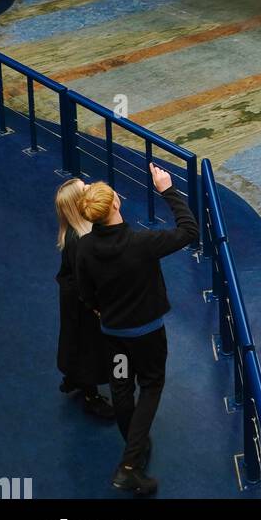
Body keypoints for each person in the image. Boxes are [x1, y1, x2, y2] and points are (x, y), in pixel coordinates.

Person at [75, 163, 199, 496]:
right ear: (115, 204)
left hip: (114, 334)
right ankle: (129, 465)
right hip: (147, 334)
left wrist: (102, 310)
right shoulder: (142, 242)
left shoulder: (84, 248)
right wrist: (167, 190)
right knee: (152, 384)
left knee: (121, 386)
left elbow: (85, 293)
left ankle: (135, 445)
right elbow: (190, 231)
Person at [55, 179, 114, 420]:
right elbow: (86, 280)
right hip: (82, 304)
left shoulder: (74, 234)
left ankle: (73, 378)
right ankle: (91, 396)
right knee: (89, 347)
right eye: (85, 188)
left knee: (76, 342)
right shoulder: (80, 241)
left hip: (74, 299)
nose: (90, 186)